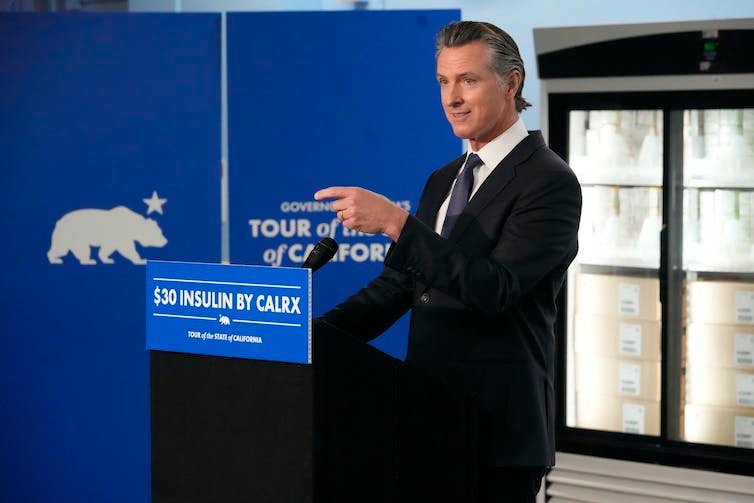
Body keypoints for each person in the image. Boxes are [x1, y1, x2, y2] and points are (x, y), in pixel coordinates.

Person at [314, 20, 581, 503]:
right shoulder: (444, 178)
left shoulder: (549, 181)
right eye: (443, 82)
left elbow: (494, 289)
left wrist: (398, 225)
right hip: (427, 420)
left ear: (511, 83)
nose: (451, 97)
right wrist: (313, 335)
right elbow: (398, 287)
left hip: (498, 436)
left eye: (468, 80)